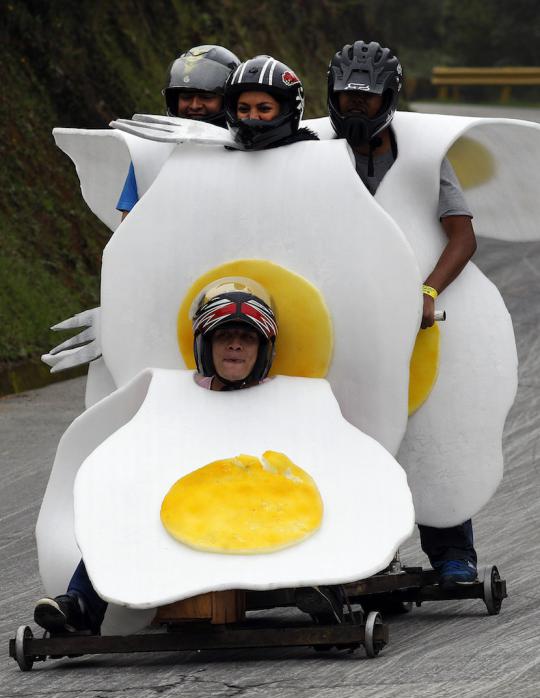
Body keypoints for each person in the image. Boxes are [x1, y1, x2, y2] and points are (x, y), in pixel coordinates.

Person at [33, 280, 278, 635]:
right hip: (188, 509)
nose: (235, 344)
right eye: (224, 336)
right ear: (205, 345)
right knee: (124, 509)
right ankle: (80, 606)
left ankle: (323, 590)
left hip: (258, 513)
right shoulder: (174, 397)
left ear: (263, 349)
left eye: (247, 337)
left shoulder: (287, 400)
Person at [328, 40, 478, 588]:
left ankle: (452, 552)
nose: (353, 111)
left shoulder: (421, 155)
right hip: (341, 322)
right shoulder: (314, 150)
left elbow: (462, 236)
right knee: (352, 431)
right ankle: (372, 551)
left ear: (389, 99)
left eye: (365, 101)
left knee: (428, 426)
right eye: (345, 99)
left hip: (413, 319)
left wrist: (429, 293)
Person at [117, 44, 241, 218]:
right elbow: (128, 222)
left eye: (206, 97)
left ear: (228, 100)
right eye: (186, 97)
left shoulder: (244, 150)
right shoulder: (151, 150)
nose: (195, 105)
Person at [224, 55, 318, 150]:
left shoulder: (312, 154)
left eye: (264, 109)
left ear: (285, 110)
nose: (253, 117)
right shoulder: (221, 153)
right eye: (243, 109)